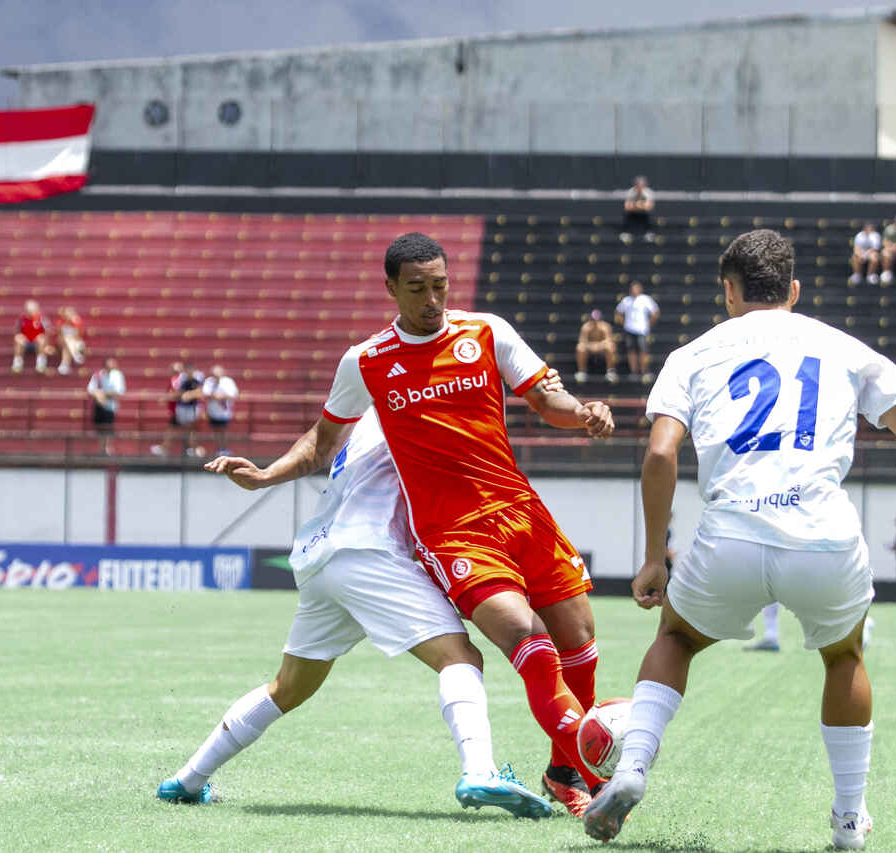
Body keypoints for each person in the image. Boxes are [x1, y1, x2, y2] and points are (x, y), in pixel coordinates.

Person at [582, 229, 896, 849]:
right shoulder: (845, 348)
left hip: (729, 539)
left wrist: (655, 556)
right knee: (843, 657)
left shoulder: (690, 355)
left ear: (729, 292)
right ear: (793, 290)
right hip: (822, 539)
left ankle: (630, 769)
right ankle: (849, 819)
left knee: (678, 638)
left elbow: (660, 454)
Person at [206, 233, 616, 817]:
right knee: (527, 639)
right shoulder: (367, 361)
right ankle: (595, 770)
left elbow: (548, 400)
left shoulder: (487, 332)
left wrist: (585, 414)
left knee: (579, 648)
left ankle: (561, 770)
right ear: (392, 288)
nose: (432, 299)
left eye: (441, 286)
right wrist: (268, 474)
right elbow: (323, 441)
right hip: (452, 532)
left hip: (522, 512)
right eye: (418, 288)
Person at [159, 376, 582, 818]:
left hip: (322, 557)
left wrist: (266, 475)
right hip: (370, 552)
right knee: (460, 658)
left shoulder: (364, 418)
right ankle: (480, 771)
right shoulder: (417, 409)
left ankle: (187, 780)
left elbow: (317, 440)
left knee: (287, 687)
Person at [614, 281, 659, 383]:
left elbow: (655, 312)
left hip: (641, 330)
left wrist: (649, 323)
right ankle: (634, 371)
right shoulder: (626, 300)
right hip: (629, 329)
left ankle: (644, 371)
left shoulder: (645, 299)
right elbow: (618, 312)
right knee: (631, 351)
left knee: (643, 351)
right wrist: (624, 323)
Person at [87, 357, 125, 445]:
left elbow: (119, 391)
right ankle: (102, 447)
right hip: (99, 405)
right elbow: (90, 389)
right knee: (99, 428)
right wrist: (98, 394)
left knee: (108, 428)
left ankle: (108, 447)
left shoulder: (117, 375)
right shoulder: (98, 375)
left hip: (110, 406)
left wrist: (102, 394)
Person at [202, 364, 240, 453]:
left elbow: (233, 394)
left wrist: (221, 396)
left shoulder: (228, 381)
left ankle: (225, 448)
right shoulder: (209, 381)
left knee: (223, 430)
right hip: (212, 411)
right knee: (216, 430)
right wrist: (214, 395)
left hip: (224, 411)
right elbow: (205, 393)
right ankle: (219, 448)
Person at [575, 310, 619, 384]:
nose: (595, 322)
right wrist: (592, 346)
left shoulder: (605, 326)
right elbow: (582, 340)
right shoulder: (586, 327)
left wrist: (598, 346)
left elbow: (608, 340)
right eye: (593, 319)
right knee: (580, 348)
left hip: (601, 348)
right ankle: (582, 372)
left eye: (597, 319)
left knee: (610, 347)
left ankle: (610, 371)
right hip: (589, 348)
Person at [11, 300, 50, 374]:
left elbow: (47, 332)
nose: (30, 312)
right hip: (25, 343)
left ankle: (41, 363)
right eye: (28, 310)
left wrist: (47, 345)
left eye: (32, 310)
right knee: (18, 338)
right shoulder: (22, 319)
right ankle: (17, 363)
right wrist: (20, 336)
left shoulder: (41, 318)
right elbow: (16, 331)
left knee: (41, 338)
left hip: (37, 344)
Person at [619, 176, 655, 244]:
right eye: (638, 185)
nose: (640, 187)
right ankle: (626, 233)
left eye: (641, 185)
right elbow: (627, 206)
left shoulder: (648, 192)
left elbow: (650, 206)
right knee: (626, 214)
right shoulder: (630, 192)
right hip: (633, 212)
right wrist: (639, 206)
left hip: (644, 213)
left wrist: (637, 205)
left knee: (649, 215)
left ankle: (649, 233)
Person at [54, 306, 87, 375]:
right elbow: (60, 336)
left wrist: (74, 325)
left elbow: (78, 336)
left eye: (70, 314)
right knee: (66, 340)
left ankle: (64, 364)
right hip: (64, 343)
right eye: (66, 314)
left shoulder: (77, 322)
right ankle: (75, 355)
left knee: (66, 347)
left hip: (77, 343)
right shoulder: (60, 323)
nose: (68, 316)